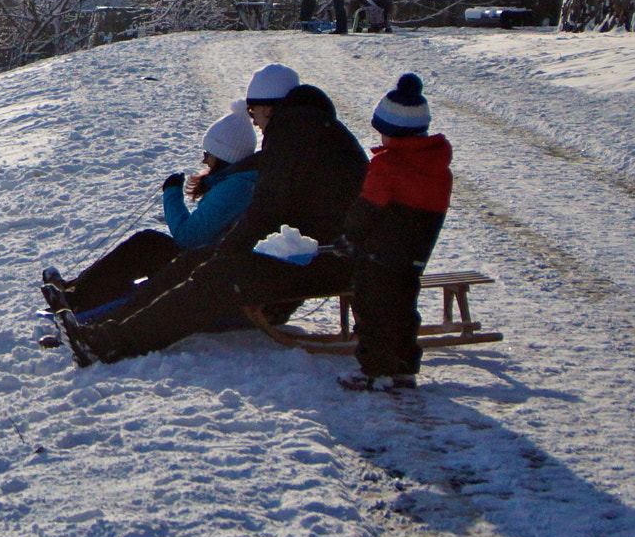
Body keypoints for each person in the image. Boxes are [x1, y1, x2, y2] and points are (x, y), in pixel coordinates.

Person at [56, 83, 368, 366]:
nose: (254, 121)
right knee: (196, 262)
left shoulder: (296, 136)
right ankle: (102, 330)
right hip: (311, 254)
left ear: (269, 108)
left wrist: (230, 249)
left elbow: (268, 208)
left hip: (319, 260)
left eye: (253, 111)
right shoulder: (313, 133)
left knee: (213, 276)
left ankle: (113, 341)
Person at [43, 106, 260, 315]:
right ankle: (77, 290)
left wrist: (171, 194)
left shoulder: (235, 188)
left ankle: (76, 300)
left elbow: (188, 237)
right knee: (146, 245)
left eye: (208, 153)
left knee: (145, 247)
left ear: (224, 155)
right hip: (210, 259)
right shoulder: (234, 182)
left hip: (206, 268)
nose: (204, 159)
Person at [336, 74, 452, 392]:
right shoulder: (438, 169)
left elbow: (367, 209)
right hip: (414, 257)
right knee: (402, 309)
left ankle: (375, 369)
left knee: (373, 310)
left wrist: (349, 235)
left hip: (380, 255)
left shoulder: (388, 166)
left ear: (392, 132)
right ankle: (403, 367)